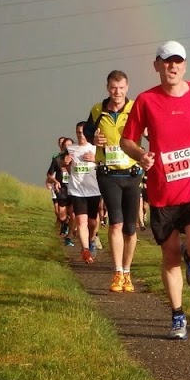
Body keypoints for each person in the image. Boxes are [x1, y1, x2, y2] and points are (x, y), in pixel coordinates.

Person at [120, 40, 190, 340]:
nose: (172, 66)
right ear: (156, 65)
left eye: (178, 61)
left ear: (185, 65)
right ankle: (178, 316)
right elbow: (126, 141)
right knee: (169, 257)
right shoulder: (145, 101)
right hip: (162, 193)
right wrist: (139, 155)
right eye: (166, 61)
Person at [85, 70, 142, 292]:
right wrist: (94, 138)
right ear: (107, 88)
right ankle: (117, 272)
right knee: (115, 222)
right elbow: (88, 131)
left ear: (127, 87)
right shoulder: (97, 109)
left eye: (121, 87)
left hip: (132, 173)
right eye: (113, 88)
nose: (117, 92)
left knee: (130, 227)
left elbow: (150, 132)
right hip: (108, 173)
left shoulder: (135, 107)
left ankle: (127, 273)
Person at [66, 122, 102, 264]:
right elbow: (63, 165)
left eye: (82, 132)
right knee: (81, 221)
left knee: (92, 222)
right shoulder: (71, 149)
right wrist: (67, 163)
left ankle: (92, 239)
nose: (80, 135)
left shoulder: (95, 148)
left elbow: (106, 163)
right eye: (78, 132)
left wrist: (95, 159)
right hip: (77, 190)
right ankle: (85, 249)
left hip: (93, 189)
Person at [45, 136, 74, 246]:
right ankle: (65, 223)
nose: (68, 147)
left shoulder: (76, 159)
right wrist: (55, 181)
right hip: (62, 189)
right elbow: (49, 174)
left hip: (74, 190)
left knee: (73, 214)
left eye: (70, 145)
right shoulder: (57, 160)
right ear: (63, 147)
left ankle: (69, 237)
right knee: (62, 216)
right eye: (66, 145)